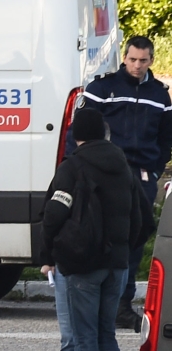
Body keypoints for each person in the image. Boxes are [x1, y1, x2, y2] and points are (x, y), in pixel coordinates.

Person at [44, 108, 143, 351]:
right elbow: (142, 218)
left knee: (85, 338)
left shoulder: (73, 166)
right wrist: (124, 248)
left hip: (84, 264)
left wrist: (49, 252)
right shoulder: (123, 166)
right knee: (106, 336)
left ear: (77, 136)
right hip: (117, 264)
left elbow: (54, 214)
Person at [68, 35, 172, 330]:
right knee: (98, 234)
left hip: (141, 176)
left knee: (134, 239)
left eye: (143, 60)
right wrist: (76, 168)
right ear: (124, 58)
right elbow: (78, 131)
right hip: (106, 171)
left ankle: (122, 306)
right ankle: (94, 301)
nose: (137, 65)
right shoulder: (103, 89)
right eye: (132, 59)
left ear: (151, 60)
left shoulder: (160, 95)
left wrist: (154, 170)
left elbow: (166, 138)